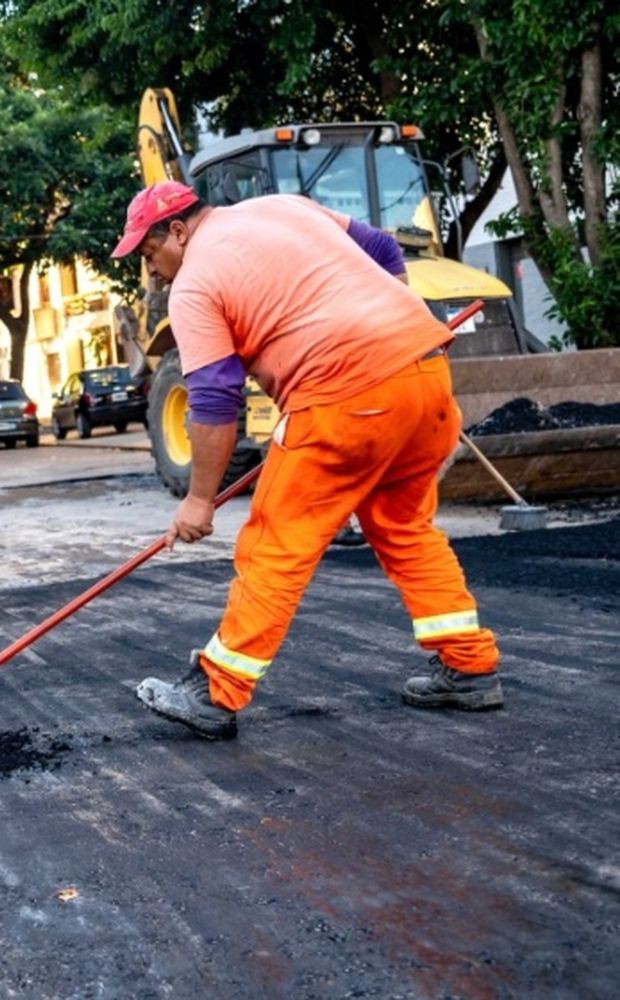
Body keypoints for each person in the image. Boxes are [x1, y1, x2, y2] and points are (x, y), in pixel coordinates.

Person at [114, 180, 501, 740]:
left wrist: (199, 500)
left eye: (150, 254)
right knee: (404, 527)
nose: (152, 270)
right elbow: (386, 250)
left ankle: (217, 692)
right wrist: (396, 319)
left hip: (343, 395)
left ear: (178, 230)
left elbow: (216, 398)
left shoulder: (195, 284)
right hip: (424, 373)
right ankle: (468, 665)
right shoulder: (281, 207)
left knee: (277, 543)